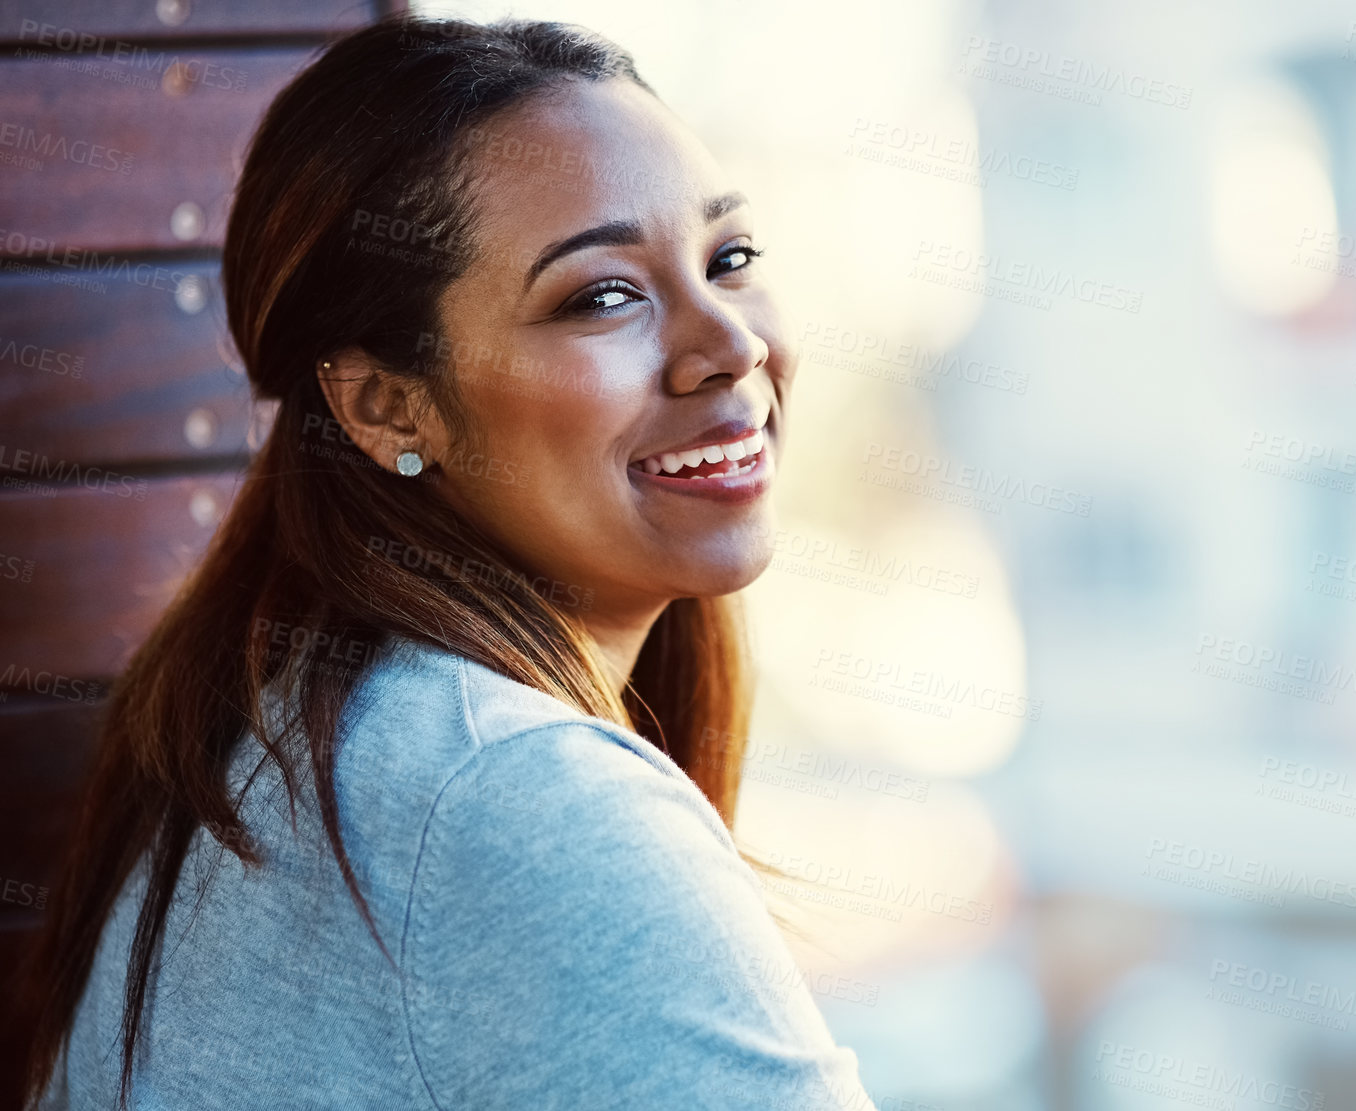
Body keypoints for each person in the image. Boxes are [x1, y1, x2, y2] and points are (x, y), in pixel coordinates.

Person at [17, 17, 875, 1110]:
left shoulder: (316, 741)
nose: (733, 345)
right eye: (602, 294)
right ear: (384, 403)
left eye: (729, 260)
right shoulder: (505, 791)